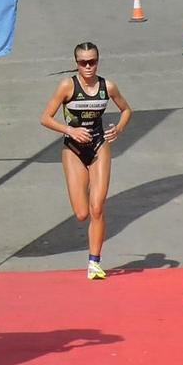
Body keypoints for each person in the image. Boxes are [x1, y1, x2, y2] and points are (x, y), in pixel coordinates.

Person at [40, 42, 131, 280]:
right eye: (83, 62)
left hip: (99, 146)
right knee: (81, 213)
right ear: (76, 63)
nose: (88, 67)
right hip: (73, 150)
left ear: (98, 61)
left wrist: (118, 128)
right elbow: (45, 118)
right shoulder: (67, 86)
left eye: (92, 62)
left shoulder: (107, 86)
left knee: (98, 207)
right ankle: (84, 192)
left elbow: (126, 109)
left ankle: (94, 262)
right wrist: (70, 131)